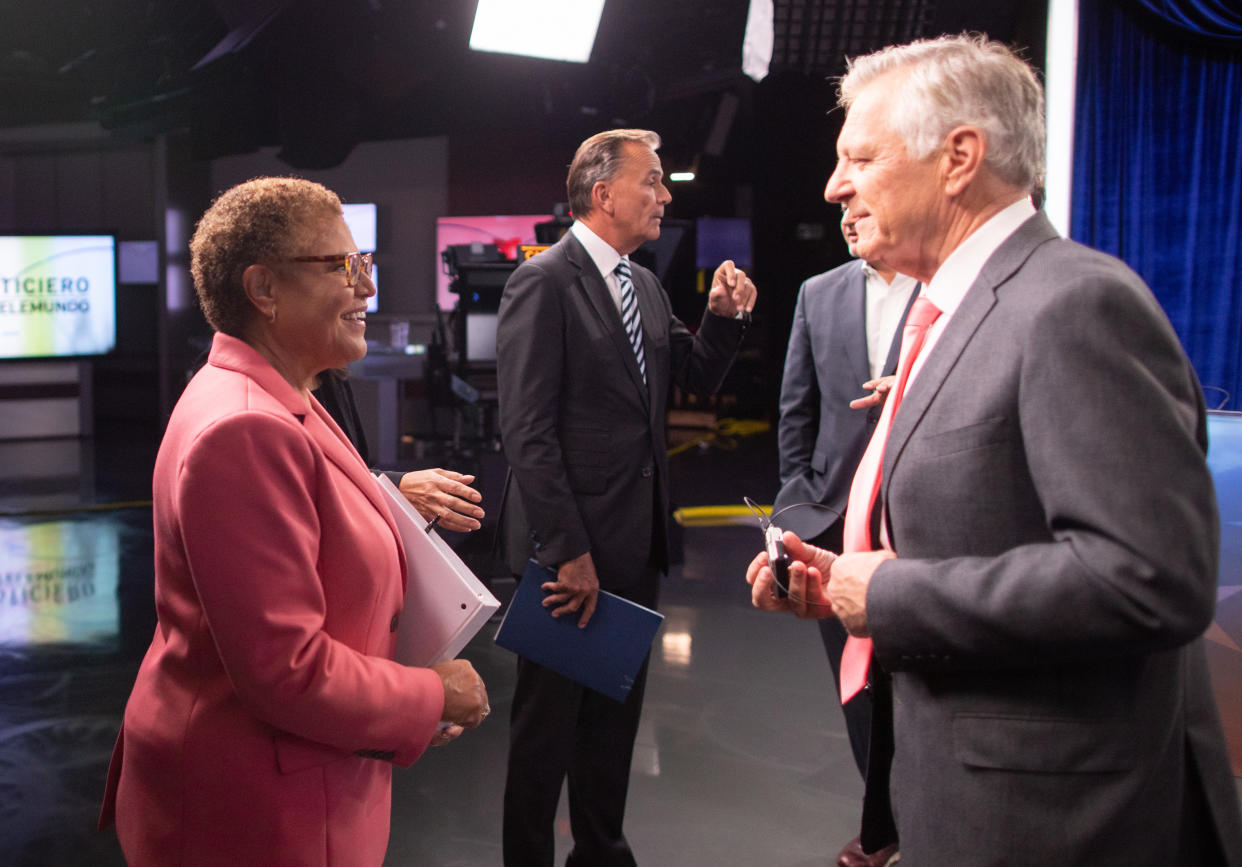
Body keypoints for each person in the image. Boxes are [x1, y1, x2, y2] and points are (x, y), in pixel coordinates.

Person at [747, 34, 1242, 865]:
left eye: (860, 158)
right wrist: (841, 585)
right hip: (965, 789)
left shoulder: (1072, 304)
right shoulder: (948, 313)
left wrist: (896, 593)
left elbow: (1150, 578)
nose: (836, 186)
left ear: (959, 157)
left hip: (1055, 815)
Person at [98, 177, 490, 866]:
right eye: (343, 265)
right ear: (264, 288)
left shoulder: (277, 399)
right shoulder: (247, 427)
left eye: (363, 262)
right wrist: (429, 694)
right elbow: (286, 669)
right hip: (252, 815)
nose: (366, 286)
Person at [496, 128, 756, 866]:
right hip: (567, 554)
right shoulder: (543, 280)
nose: (666, 196)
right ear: (603, 193)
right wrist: (569, 552)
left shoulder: (641, 282)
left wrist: (727, 317)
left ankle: (602, 854)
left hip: (635, 544)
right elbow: (529, 431)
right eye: (654, 181)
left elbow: (696, 375)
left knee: (613, 723)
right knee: (545, 736)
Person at [772, 205, 916, 867]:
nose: (847, 211)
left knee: (914, 684)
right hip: (832, 524)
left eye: (863, 199)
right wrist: (799, 509)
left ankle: (921, 818)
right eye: (842, 212)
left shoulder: (939, 285)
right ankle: (880, 821)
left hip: (913, 521)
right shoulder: (817, 292)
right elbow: (795, 410)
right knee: (855, 687)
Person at [314, 370, 486, 532]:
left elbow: (355, 469)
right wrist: (394, 488)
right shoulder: (291, 401)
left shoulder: (333, 378)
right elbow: (307, 480)